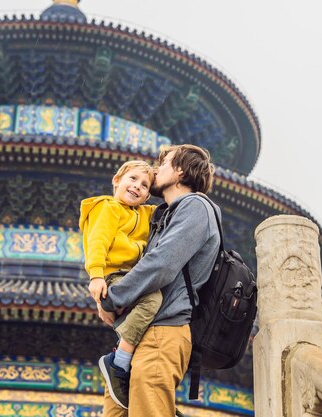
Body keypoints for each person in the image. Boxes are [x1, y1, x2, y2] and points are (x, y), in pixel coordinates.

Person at [97, 144, 220, 417]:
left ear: (179, 171)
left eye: (162, 164)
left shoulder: (196, 208)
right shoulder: (164, 214)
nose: (155, 170)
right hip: (138, 332)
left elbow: (161, 265)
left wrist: (112, 298)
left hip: (164, 331)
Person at [78, 160, 160, 409]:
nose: (137, 187)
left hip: (131, 276)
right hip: (114, 276)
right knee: (153, 299)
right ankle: (119, 361)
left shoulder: (145, 214)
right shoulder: (107, 207)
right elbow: (98, 241)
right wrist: (96, 276)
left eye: (145, 185)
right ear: (116, 180)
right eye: (132, 179)